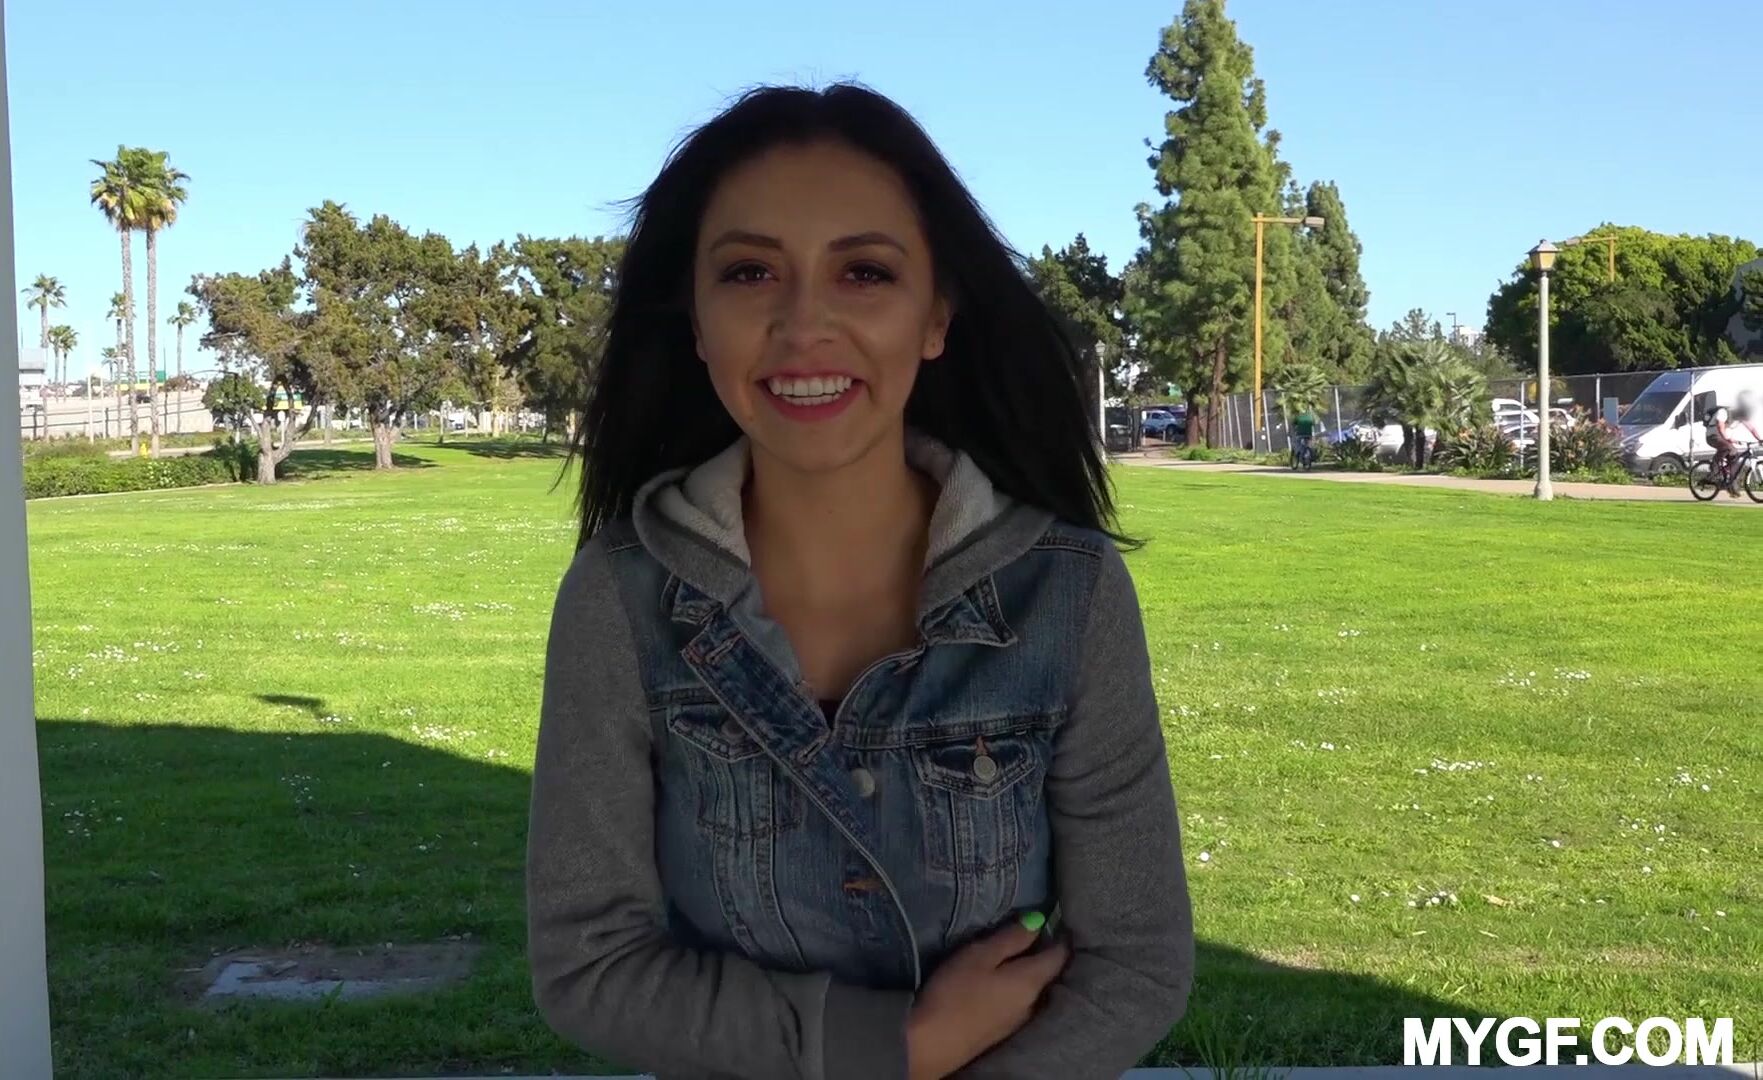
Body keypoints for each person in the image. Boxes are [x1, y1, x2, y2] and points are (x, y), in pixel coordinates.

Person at [526, 84, 1193, 1080]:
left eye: (864, 272)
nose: (804, 325)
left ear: (935, 316)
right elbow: (591, 966)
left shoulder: (1067, 594)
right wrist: (904, 1052)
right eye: (750, 272)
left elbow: (1133, 966)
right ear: (697, 321)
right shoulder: (618, 600)